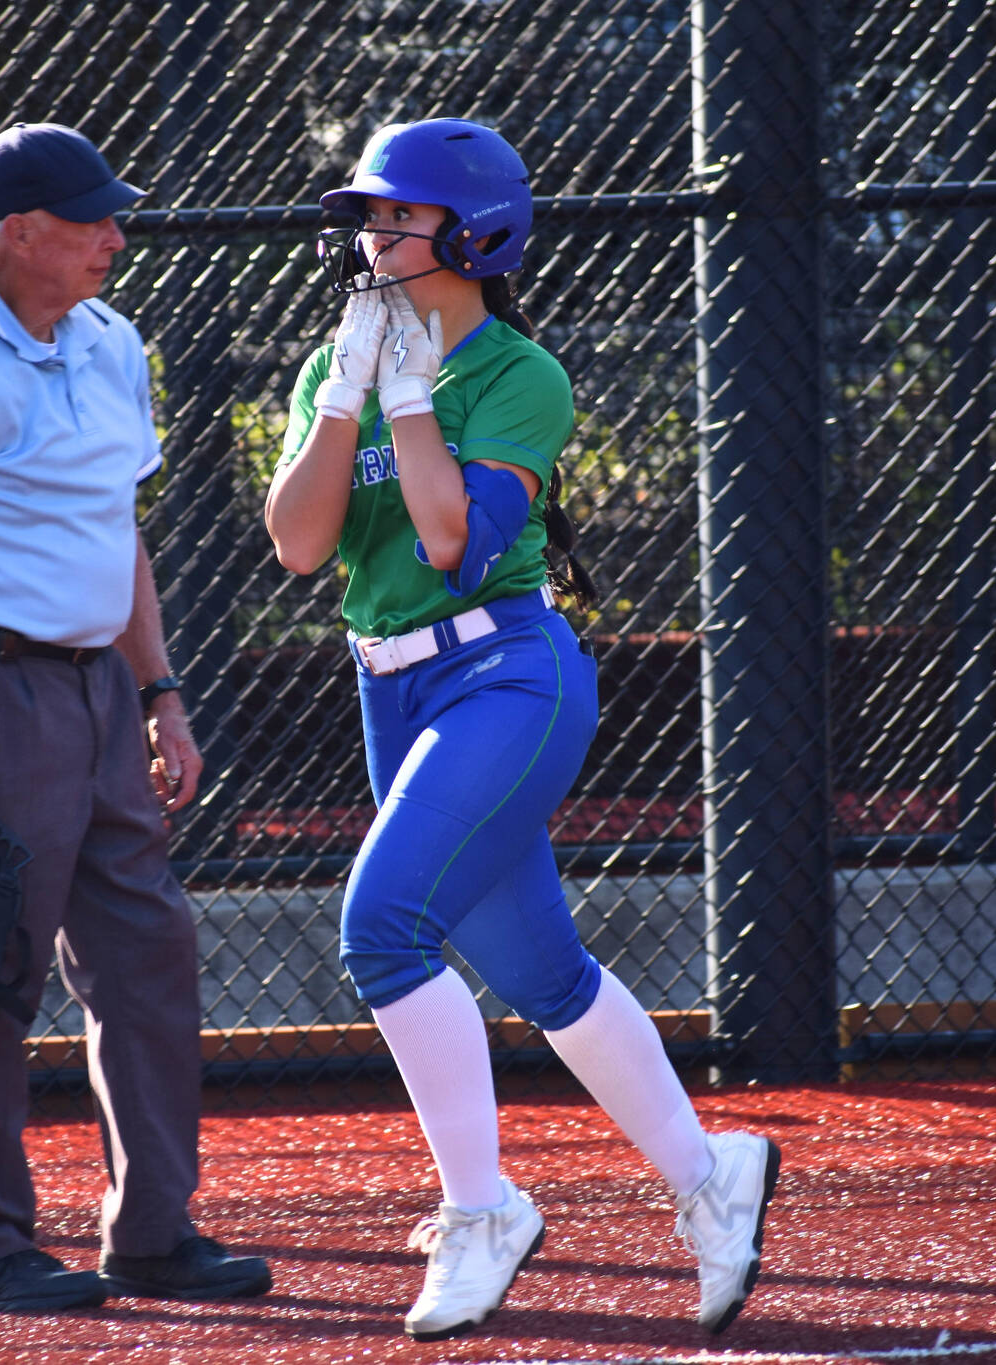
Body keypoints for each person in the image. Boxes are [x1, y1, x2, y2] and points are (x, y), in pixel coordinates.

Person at [264, 118, 781, 1340]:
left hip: (504, 674)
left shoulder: (516, 375)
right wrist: (345, 393)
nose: (373, 234)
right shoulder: (334, 360)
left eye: (401, 214)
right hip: (388, 686)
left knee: (382, 928)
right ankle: (712, 1181)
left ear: (474, 231)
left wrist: (405, 396)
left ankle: (482, 1209)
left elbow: (450, 541)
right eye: (370, 215)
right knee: (542, 974)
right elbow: (296, 546)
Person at [0, 121, 270, 1315]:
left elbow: (114, 531)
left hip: (96, 688)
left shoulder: (109, 338)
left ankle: (151, 1232)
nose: (113, 237)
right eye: (89, 221)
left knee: (149, 955)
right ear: (16, 233)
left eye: (112, 215)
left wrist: (160, 693)